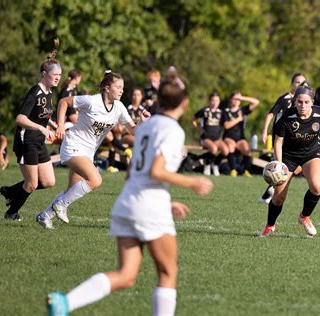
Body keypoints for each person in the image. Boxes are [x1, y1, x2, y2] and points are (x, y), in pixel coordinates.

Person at [46, 74, 213, 316]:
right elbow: (156, 170)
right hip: (149, 208)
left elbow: (136, 172)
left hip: (127, 203)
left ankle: (65, 303)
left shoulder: (146, 127)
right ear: (185, 103)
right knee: (167, 273)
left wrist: (164, 202)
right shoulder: (172, 130)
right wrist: (192, 182)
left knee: (126, 276)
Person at [36, 71, 137, 229]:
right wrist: (61, 125)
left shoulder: (119, 107)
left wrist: (144, 122)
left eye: (123, 87)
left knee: (71, 190)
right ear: (106, 88)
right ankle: (59, 205)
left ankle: (45, 215)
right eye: (118, 87)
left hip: (88, 152)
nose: (122, 90)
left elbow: (134, 131)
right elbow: (63, 102)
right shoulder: (91, 101)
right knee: (95, 180)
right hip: (73, 145)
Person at [259, 84, 320, 237]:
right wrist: (279, 164)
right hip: (289, 158)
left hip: (310, 155)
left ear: (312, 102)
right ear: (295, 102)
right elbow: (278, 142)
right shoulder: (287, 117)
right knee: (278, 198)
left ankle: (304, 216)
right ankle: (270, 226)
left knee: (317, 188)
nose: (303, 105)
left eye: (306, 102)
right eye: (299, 102)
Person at [0, 40, 61, 221]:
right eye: (54, 75)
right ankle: (11, 213)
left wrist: (55, 127)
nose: (58, 78)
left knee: (49, 181)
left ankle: (10, 191)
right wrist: (42, 128)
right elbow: (20, 118)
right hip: (26, 141)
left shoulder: (49, 93)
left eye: (60, 75)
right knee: (32, 183)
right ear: (44, 74)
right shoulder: (35, 92)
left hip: (39, 141)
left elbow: (43, 116)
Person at [258, 73, 306, 203]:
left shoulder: (303, 102)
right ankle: (271, 194)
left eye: (303, 83)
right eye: (297, 82)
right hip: (280, 138)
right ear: (292, 83)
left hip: (294, 139)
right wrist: (264, 132)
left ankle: (269, 192)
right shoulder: (285, 98)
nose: (300, 85)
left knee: (293, 168)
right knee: (281, 167)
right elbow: (271, 114)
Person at [222, 91, 260, 177]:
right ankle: (233, 170)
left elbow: (256, 102)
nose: (236, 101)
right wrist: (239, 119)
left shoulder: (242, 110)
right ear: (230, 99)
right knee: (231, 146)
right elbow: (226, 126)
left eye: (238, 99)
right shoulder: (225, 111)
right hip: (229, 137)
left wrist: (242, 97)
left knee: (247, 149)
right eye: (234, 99)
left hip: (240, 138)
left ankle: (246, 171)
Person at [191, 92, 229, 176]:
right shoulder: (205, 111)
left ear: (219, 102)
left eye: (217, 101)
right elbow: (193, 119)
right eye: (213, 101)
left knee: (226, 151)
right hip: (205, 138)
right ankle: (207, 165)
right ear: (209, 101)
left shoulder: (221, 113)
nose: (215, 103)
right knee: (214, 149)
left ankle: (215, 164)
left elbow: (225, 124)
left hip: (216, 138)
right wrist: (198, 128)